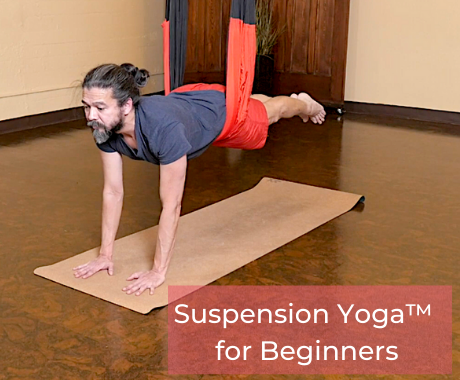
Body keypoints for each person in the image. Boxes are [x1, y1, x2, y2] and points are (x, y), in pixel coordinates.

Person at [73, 63, 326, 296]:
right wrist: (105, 255)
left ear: (127, 106)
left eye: (100, 108)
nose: (90, 116)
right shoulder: (103, 129)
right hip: (188, 101)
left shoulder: (164, 130)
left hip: (214, 112)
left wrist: (158, 271)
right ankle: (260, 101)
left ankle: (305, 103)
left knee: (272, 112)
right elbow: (113, 192)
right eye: (87, 106)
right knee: (249, 102)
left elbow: (172, 205)